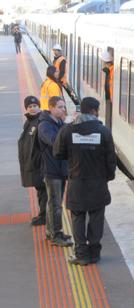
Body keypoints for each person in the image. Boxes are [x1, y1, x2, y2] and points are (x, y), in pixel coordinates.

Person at [54, 97, 116, 265]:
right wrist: (107, 177)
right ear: (95, 111)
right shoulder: (104, 132)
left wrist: (73, 156)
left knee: (77, 218)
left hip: (77, 182)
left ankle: (81, 254)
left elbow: (58, 153)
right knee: (96, 217)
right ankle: (94, 253)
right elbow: (111, 160)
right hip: (98, 183)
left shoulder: (68, 130)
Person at [38, 96, 71, 246]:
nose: (63, 109)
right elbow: (54, 142)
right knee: (55, 204)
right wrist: (67, 127)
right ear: (51, 108)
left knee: (56, 203)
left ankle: (53, 232)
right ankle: (55, 234)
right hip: (52, 171)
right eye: (60, 107)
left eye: (64, 107)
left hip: (60, 169)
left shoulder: (58, 122)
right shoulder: (45, 125)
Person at [18, 96, 47, 226]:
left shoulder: (40, 121)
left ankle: (44, 216)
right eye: (30, 107)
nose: (33, 108)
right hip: (33, 164)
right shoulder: (30, 121)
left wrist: (37, 161)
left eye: (35, 106)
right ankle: (43, 214)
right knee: (40, 191)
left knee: (43, 191)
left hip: (39, 165)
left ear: (39, 106)